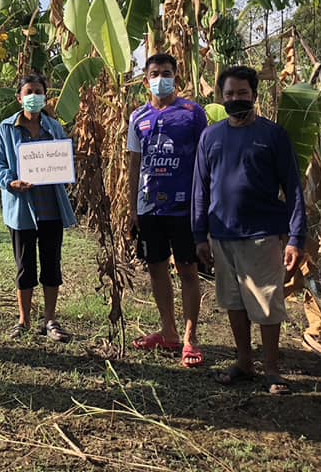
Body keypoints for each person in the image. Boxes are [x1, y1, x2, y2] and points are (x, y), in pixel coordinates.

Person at [192, 65, 307, 395]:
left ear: (254, 95)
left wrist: (296, 237)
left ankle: (272, 369)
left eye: (242, 93)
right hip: (221, 234)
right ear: (221, 97)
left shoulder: (272, 135)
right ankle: (244, 362)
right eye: (229, 94)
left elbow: (294, 188)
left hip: (261, 233)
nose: (235, 99)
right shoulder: (210, 137)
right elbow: (200, 188)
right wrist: (200, 235)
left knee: (267, 304)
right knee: (234, 302)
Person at [127, 53, 208, 367]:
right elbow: (134, 163)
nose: (160, 78)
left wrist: (205, 204)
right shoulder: (138, 117)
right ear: (145, 80)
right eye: (154, 73)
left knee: (188, 270)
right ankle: (168, 331)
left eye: (166, 72)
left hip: (184, 208)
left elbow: (206, 159)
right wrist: (133, 207)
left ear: (176, 76)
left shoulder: (192, 113)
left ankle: (190, 338)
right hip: (149, 209)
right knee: (156, 268)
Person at [0, 73, 77, 341]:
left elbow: (64, 157)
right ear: (19, 97)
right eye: (29, 92)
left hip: (51, 208)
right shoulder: (6, 129)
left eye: (39, 92)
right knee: (25, 266)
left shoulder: (54, 127)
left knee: (52, 264)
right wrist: (9, 181)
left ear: (45, 97)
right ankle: (24, 320)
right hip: (21, 210)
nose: (34, 97)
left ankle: (50, 321)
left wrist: (64, 167)